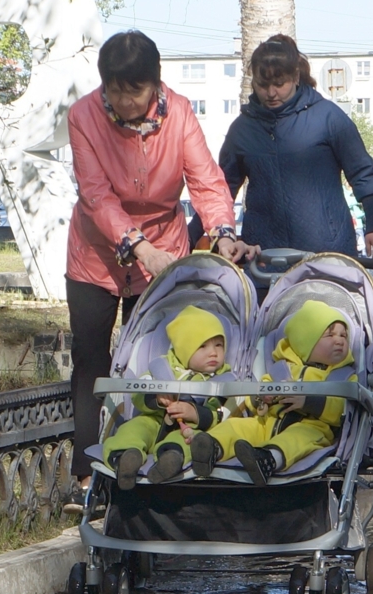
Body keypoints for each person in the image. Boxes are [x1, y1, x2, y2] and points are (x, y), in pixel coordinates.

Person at [64, 30, 250, 510]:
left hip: (165, 254)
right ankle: (89, 477)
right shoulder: (83, 116)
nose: (124, 100)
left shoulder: (181, 112)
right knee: (92, 362)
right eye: (115, 89)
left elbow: (206, 181)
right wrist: (137, 245)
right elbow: (96, 196)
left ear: (155, 85)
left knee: (158, 363)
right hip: (97, 254)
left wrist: (223, 231)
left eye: (135, 90)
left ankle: (158, 462)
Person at [215, 35, 373, 259]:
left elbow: (363, 172)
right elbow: (218, 191)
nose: (271, 93)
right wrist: (197, 237)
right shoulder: (242, 129)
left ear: (296, 77)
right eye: (263, 85)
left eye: (279, 84)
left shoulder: (328, 117)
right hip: (264, 255)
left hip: (327, 252)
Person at [190, 300, 355, 485]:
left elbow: (343, 409)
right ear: (305, 342)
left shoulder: (342, 376)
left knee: (296, 440)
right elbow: (256, 398)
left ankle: (267, 459)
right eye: (329, 335)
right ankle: (211, 448)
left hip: (312, 427)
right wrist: (262, 398)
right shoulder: (281, 370)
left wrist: (308, 401)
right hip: (268, 422)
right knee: (237, 426)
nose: (339, 340)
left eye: (344, 335)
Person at [101, 305, 232, 489]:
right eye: (202, 346)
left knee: (191, 441)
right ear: (184, 349)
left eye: (219, 345)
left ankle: (171, 459)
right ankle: (125, 458)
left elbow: (220, 412)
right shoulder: (161, 368)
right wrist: (156, 398)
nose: (214, 352)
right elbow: (138, 394)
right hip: (153, 419)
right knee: (133, 428)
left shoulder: (222, 379)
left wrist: (195, 413)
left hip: (189, 429)